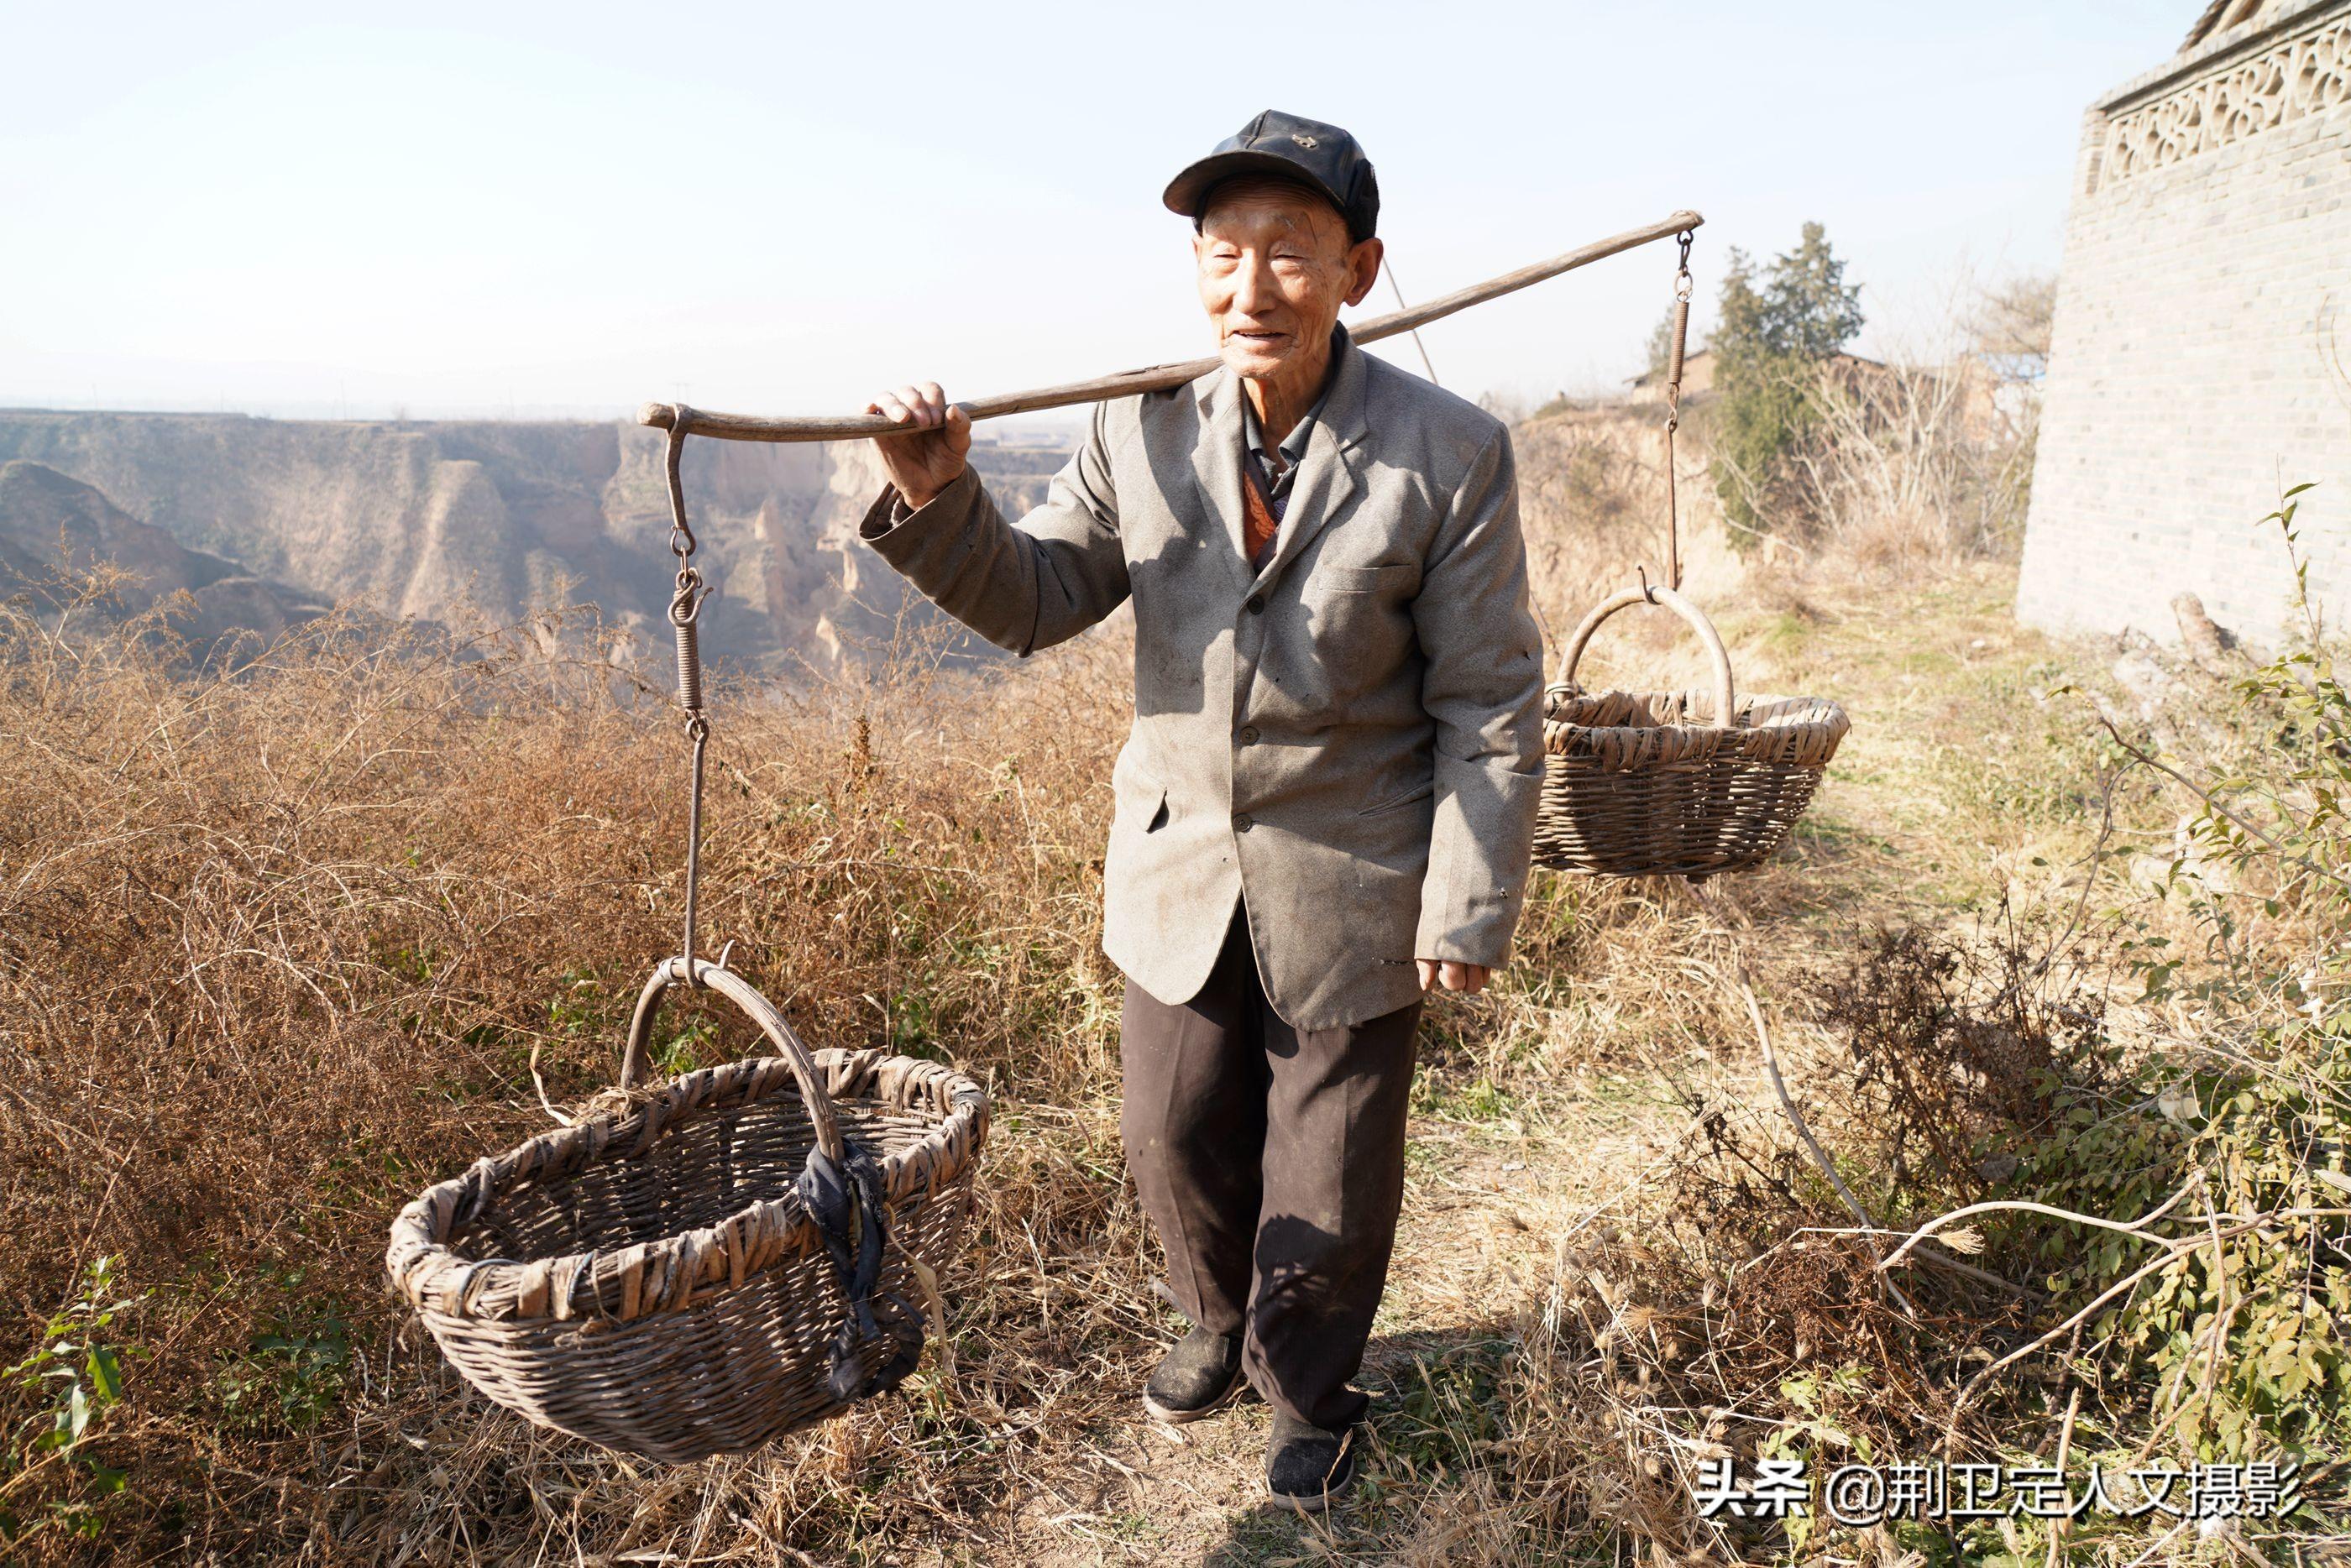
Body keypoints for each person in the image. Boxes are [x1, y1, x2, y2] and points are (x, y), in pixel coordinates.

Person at [858, 109, 1542, 1513]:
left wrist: (1469, 896)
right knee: (1173, 1132)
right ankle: (1215, 1321)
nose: (1251, 288)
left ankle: (1308, 1385)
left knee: (1332, 1168)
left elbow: (1489, 699)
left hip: (1356, 868)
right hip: (1178, 863)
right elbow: (1040, 598)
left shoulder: (1447, 453)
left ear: (1358, 269)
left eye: (1289, 254)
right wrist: (941, 500)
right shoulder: (1142, 423)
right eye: (1222, 255)